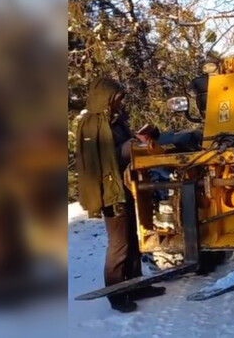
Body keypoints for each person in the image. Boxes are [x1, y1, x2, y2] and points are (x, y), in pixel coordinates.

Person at [75, 78, 164, 313]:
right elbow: (97, 163)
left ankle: (136, 285)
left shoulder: (113, 121)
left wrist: (137, 141)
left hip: (125, 185)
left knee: (133, 240)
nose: (119, 102)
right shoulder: (91, 124)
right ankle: (117, 295)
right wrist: (124, 150)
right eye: (116, 98)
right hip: (110, 192)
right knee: (119, 245)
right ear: (106, 97)